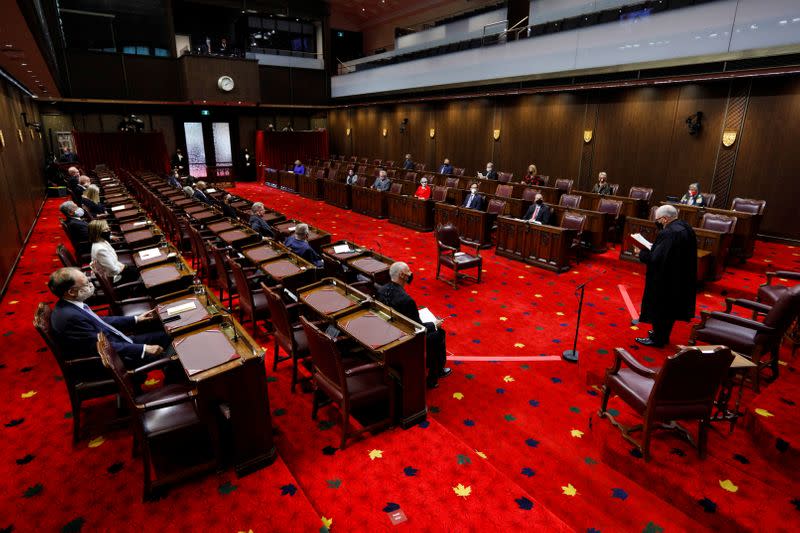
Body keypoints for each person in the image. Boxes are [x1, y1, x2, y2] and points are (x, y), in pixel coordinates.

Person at [47, 267, 172, 371]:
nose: (91, 284)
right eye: (86, 283)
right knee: (174, 357)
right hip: (115, 360)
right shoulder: (70, 318)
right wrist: (144, 349)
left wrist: (136, 319)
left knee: (167, 335)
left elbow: (101, 321)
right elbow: (102, 348)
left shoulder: (70, 305)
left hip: (119, 341)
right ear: (71, 292)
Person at [377, 262, 451, 389]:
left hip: (387, 331)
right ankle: (435, 375)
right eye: (409, 271)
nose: (411, 273)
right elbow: (419, 328)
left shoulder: (381, 290)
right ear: (402, 275)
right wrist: (434, 324)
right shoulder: (407, 300)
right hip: (404, 340)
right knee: (439, 334)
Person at [634, 204, 697, 347]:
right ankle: (661, 335)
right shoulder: (686, 227)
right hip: (680, 278)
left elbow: (656, 259)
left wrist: (641, 253)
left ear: (664, 219)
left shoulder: (668, 233)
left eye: (657, 220)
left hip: (665, 280)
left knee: (661, 309)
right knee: (669, 310)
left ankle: (658, 339)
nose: (657, 222)